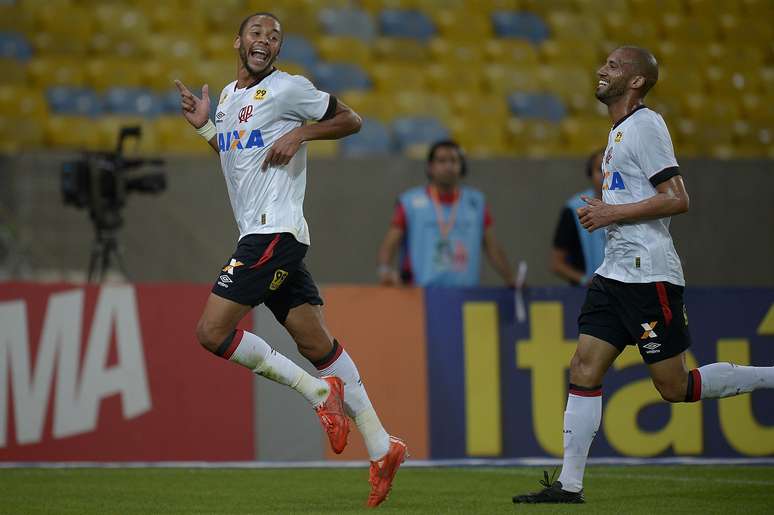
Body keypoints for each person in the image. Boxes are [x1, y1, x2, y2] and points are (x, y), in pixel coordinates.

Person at [513, 46, 774, 504]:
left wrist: (611, 213)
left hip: (648, 274)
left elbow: (677, 198)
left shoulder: (646, 126)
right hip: (614, 274)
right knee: (583, 367)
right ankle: (569, 486)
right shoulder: (618, 131)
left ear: (635, 81)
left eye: (613, 66)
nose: (601, 70)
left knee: (674, 386)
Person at [174, 12, 406, 507]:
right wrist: (205, 131)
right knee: (320, 346)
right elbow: (238, 155)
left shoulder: (288, 89)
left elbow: (351, 119)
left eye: (274, 37)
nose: (265, 42)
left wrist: (301, 134)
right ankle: (384, 446)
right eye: (257, 33)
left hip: (271, 234)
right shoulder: (232, 98)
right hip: (269, 235)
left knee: (211, 333)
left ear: (278, 49)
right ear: (238, 41)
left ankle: (318, 394)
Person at [377, 140, 515, 287]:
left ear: (462, 166)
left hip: (465, 295)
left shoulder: (476, 203)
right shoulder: (410, 202)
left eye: (454, 160)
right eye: (442, 161)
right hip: (421, 296)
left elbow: (492, 247)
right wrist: (385, 271)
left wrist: (511, 278)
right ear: (430, 167)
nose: (448, 166)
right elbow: (389, 245)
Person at [550, 149, 606, 286]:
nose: (606, 175)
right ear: (590, 174)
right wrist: (585, 280)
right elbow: (556, 263)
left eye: (611, 169)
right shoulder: (573, 209)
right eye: (600, 169)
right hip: (585, 295)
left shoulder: (630, 206)